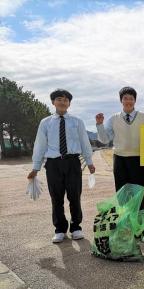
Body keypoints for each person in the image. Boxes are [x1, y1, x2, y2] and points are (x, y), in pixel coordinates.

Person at [27, 89, 95, 243]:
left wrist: (89, 162)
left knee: (74, 196)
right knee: (56, 197)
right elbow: (40, 145)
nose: (63, 102)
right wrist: (35, 167)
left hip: (73, 162)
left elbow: (85, 142)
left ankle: (76, 227)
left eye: (66, 100)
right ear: (53, 102)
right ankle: (59, 229)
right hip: (53, 164)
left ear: (69, 103)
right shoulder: (45, 122)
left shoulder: (77, 121)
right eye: (59, 99)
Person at [95, 87, 144, 209]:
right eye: (125, 98)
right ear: (121, 100)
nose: (128, 101)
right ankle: (124, 221)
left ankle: (139, 222)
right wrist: (99, 125)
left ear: (135, 101)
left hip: (138, 159)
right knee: (121, 192)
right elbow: (104, 140)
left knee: (138, 193)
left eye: (131, 98)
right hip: (119, 159)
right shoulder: (114, 118)